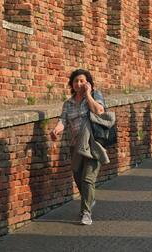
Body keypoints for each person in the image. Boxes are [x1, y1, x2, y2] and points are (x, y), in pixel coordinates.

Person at [50, 69, 108, 225]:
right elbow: (63, 120)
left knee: (88, 179)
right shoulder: (68, 103)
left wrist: (88, 94)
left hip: (92, 144)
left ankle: (86, 213)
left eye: (82, 81)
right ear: (72, 84)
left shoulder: (96, 95)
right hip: (76, 146)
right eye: (76, 81)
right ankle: (90, 199)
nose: (79, 84)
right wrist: (57, 129)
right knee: (78, 178)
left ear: (88, 82)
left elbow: (99, 111)